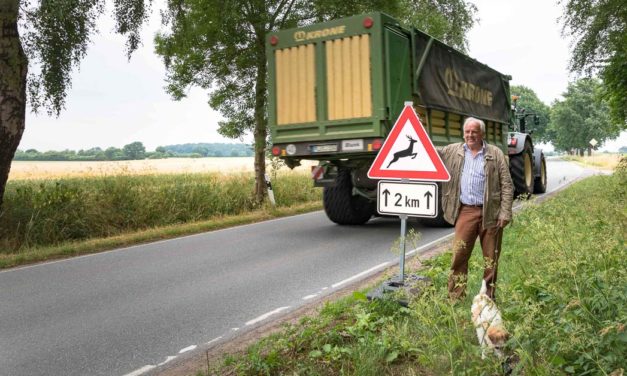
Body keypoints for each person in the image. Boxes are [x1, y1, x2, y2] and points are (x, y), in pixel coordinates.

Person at [439, 117, 513, 300]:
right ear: (463, 134)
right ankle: (456, 297)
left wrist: (505, 212)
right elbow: (432, 154)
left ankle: (488, 297)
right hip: (465, 211)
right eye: (467, 132)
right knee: (459, 255)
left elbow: (507, 185)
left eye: (474, 132)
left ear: (482, 134)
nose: (470, 135)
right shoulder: (453, 151)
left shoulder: (495, 153)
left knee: (491, 259)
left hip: (491, 213)